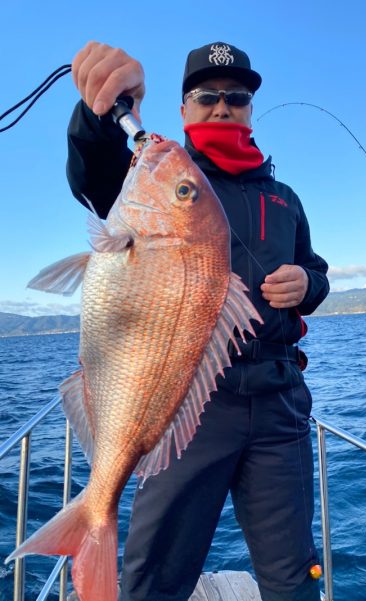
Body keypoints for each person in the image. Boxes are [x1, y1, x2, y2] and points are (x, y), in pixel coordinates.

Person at [67, 40, 330, 601]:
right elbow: (95, 173)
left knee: (293, 578)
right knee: (154, 577)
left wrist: (308, 285)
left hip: (280, 405)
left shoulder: (285, 198)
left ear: (250, 110)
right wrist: (104, 107)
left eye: (236, 97)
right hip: (188, 405)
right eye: (205, 96)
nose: (222, 106)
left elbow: (316, 269)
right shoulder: (152, 174)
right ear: (183, 109)